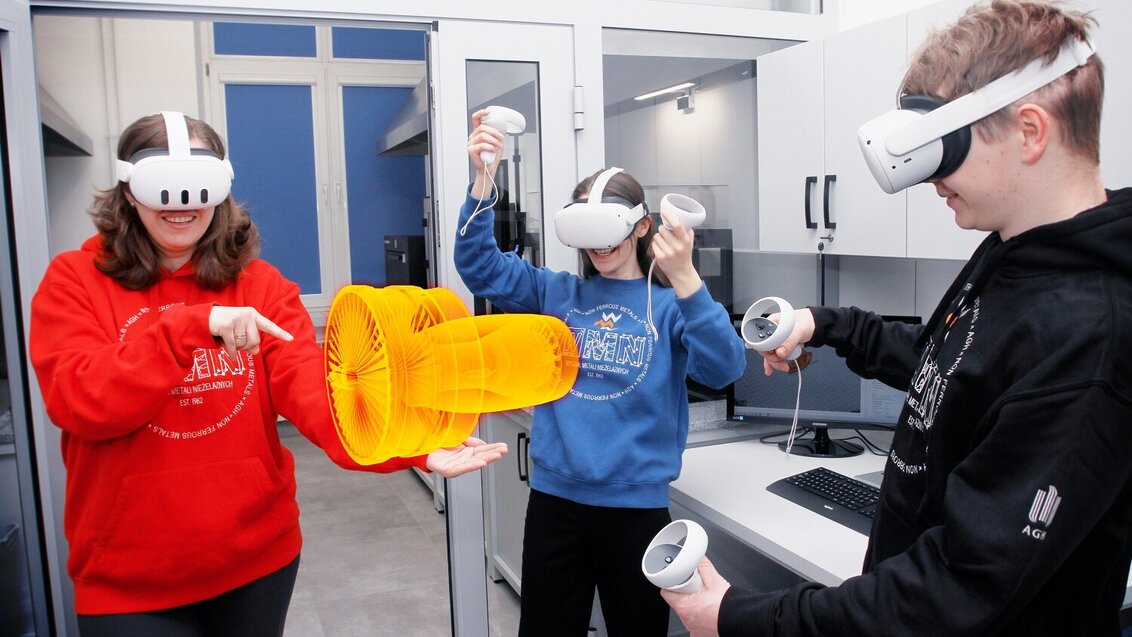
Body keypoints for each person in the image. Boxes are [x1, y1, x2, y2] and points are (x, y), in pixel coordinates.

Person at [663, 1, 1132, 635]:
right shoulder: (1013, 253)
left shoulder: (1090, 334)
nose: (927, 177)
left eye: (946, 148)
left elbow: (956, 591)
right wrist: (825, 324)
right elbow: (950, 365)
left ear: (1029, 132)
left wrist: (744, 618)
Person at [28, 111, 508, 637]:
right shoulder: (75, 281)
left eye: (198, 187)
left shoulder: (260, 287)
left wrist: (409, 442)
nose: (182, 205)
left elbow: (312, 394)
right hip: (129, 579)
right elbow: (81, 400)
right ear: (129, 189)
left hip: (256, 564)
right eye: (164, 187)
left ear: (222, 189)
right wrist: (189, 328)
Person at [457, 111, 747, 635]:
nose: (598, 246)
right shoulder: (557, 294)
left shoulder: (668, 307)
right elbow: (480, 267)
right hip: (555, 505)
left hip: (636, 512)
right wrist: (483, 182)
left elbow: (725, 367)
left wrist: (686, 278)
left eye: (609, 230)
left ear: (641, 227)